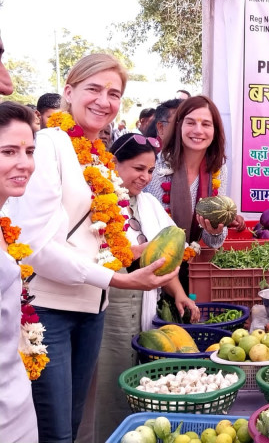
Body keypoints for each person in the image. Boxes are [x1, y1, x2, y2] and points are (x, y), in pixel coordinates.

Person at [8, 54, 178, 443]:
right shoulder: (49, 145)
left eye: (114, 93)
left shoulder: (100, 156)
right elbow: (34, 245)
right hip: (48, 311)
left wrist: (149, 253)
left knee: (74, 422)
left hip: (91, 309)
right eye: (94, 89)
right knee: (55, 432)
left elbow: (100, 240)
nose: (104, 100)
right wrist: (119, 278)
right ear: (69, 92)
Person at [79, 133, 200, 442]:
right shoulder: (92, 199)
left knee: (138, 383)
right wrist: (127, 255)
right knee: (105, 386)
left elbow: (164, 258)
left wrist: (180, 294)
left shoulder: (148, 204)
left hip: (142, 309)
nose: (145, 177)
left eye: (149, 170)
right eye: (137, 168)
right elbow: (82, 261)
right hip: (108, 311)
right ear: (114, 163)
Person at [146, 95, 245, 292]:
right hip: (153, 269)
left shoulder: (218, 169)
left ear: (215, 130)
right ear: (179, 126)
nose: (198, 130)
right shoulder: (158, 165)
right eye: (191, 122)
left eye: (206, 124)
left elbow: (213, 240)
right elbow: (152, 230)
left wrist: (214, 230)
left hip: (193, 269)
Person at [0, 102, 38, 442]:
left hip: (16, 396)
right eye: (9, 151)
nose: (24, 163)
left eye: (29, 151)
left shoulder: (5, 220)